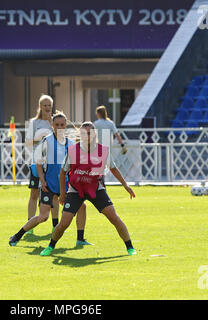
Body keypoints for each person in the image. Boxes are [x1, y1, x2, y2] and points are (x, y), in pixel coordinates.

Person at [40, 122, 137, 256]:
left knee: (114, 217)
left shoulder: (103, 150)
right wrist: (63, 194)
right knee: (64, 223)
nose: (87, 136)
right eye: (84, 133)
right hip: (75, 189)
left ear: (95, 134)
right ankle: (50, 246)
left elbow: (113, 169)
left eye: (90, 133)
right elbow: (62, 173)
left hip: (95, 188)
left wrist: (125, 185)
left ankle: (130, 247)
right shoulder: (73, 150)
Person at [9, 112, 90, 246]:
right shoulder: (47, 140)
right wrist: (42, 180)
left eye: (62, 125)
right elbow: (38, 163)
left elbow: (73, 166)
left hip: (65, 186)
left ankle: (80, 239)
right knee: (43, 217)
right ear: (52, 125)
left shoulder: (70, 143)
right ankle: (17, 236)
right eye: (56, 125)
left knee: (82, 207)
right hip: (50, 185)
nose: (59, 127)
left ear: (66, 125)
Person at [24, 94, 59, 234]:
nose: (47, 107)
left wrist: (52, 125)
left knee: (55, 195)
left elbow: (61, 139)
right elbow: (27, 141)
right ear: (40, 106)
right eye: (45, 105)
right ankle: (29, 226)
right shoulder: (34, 122)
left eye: (49, 105)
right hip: (37, 162)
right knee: (33, 194)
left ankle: (55, 225)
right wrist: (40, 138)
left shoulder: (55, 122)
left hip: (52, 164)